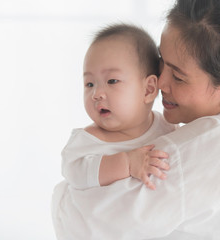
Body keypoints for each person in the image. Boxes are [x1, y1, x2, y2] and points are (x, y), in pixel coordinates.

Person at [52, 0, 220, 239]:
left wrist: (61, 194)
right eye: (162, 62)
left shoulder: (212, 143)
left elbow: (81, 224)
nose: (159, 82)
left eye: (178, 76)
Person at [52, 23, 177, 239]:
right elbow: (73, 172)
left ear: (148, 89)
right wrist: (127, 163)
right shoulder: (88, 139)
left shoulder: (166, 128)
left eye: (112, 81)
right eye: (89, 84)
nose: (97, 94)